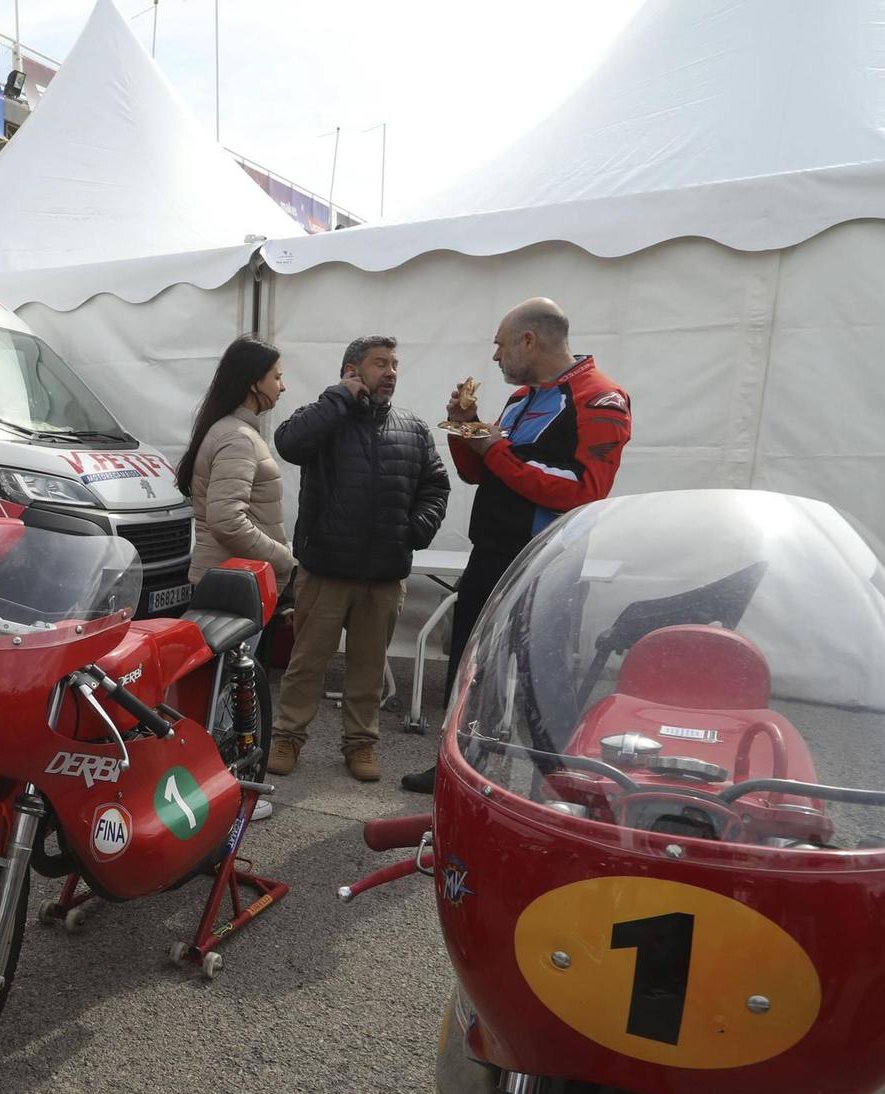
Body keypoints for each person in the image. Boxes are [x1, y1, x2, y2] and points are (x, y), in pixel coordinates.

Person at [400, 299, 630, 793]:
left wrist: (493, 445)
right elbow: (477, 472)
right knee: (470, 665)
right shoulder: (523, 396)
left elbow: (583, 489)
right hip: (489, 553)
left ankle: (565, 784)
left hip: (547, 563)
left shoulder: (601, 396)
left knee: (541, 680)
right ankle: (458, 766)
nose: (496, 357)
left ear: (530, 340)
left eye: (501, 345)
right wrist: (465, 425)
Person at [268, 336, 449, 784]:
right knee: (306, 663)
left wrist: (415, 529)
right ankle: (288, 737)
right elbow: (289, 443)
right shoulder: (324, 418)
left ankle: (361, 744)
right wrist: (338, 398)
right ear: (352, 369)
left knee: (368, 669)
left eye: (394, 364)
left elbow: (435, 486)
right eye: (379, 363)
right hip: (327, 568)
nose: (390, 372)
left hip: (384, 573)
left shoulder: (413, 427)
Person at [179, 333, 292, 819]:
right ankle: (224, 798)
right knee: (226, 699)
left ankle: (216, 794)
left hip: (232, 578)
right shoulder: (235, 435)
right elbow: (228, 519)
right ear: (254, 384)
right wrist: (284, 558)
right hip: (234, 582)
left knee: (222, 693)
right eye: (278, 376)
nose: (284, 386)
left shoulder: (234, 431)